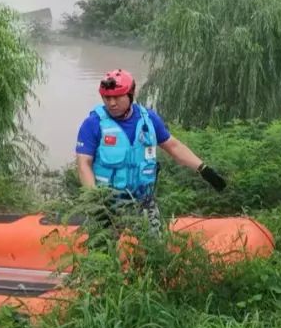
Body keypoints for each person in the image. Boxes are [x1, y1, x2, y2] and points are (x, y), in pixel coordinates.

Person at [75, 69, 226, 231]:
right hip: (107, 204)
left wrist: (203, 169)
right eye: (107, 97)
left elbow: (174, 147)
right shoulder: (93, 124)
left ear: (131, 94)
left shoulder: (149, 120)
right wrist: (96, 204)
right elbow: (84, 164)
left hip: (143, 202)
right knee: (102, 253)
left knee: (155, 250)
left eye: (117, 97)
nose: (111, 103)